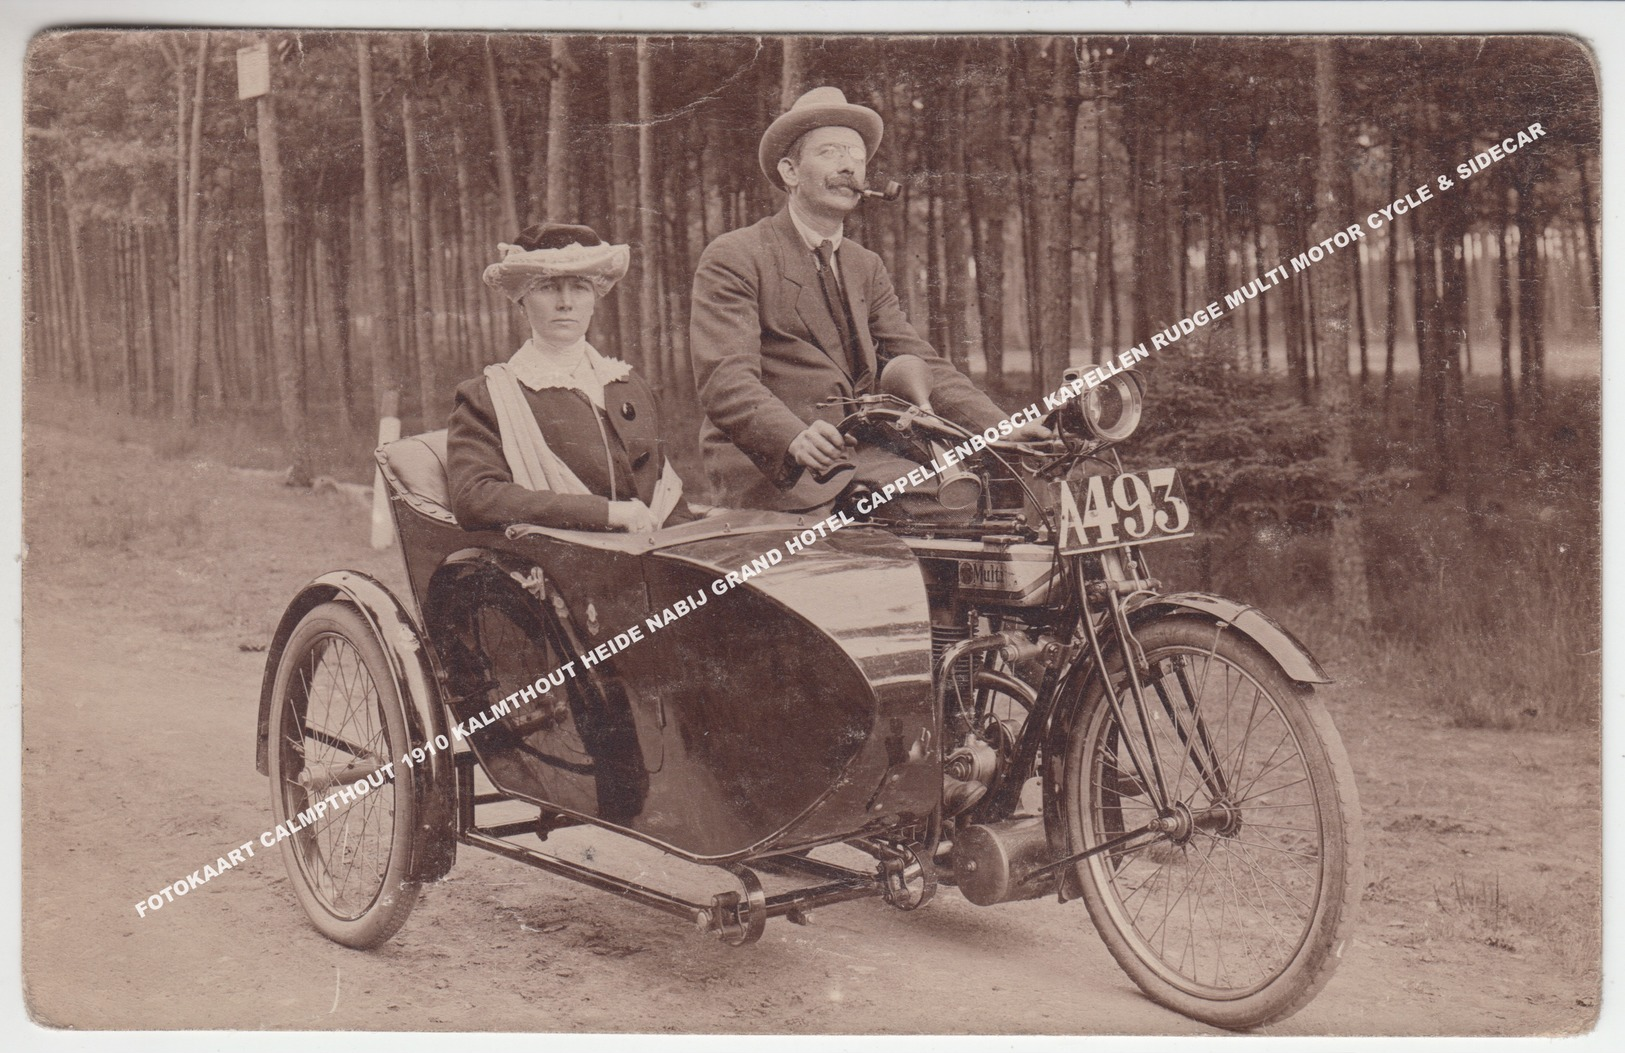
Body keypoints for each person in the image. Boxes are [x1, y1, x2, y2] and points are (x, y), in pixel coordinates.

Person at [690, 86, 1048, 515]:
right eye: (829, 152)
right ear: (789, 171)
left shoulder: (865, 265)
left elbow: (921, 362)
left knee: (996, 504)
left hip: (862, 456)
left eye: (857, 156)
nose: (848, 166)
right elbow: (726, 381)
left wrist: (1002, 428)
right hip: (778, 467)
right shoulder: (737, 254)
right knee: (935, 513)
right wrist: (793, 437)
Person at [448, 222, 694, 533]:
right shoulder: (489, 396)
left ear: (594, 299)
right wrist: (606, 513)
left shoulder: (628, 384)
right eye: (548, 287)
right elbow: (475, 498)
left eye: (579, 287)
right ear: (522, 302)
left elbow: (665, 493)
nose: (565, 302)